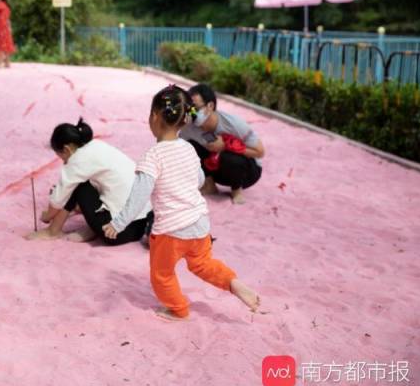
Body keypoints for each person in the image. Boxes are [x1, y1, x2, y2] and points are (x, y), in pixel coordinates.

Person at [102, 85, 260, 321]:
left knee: (162, 274)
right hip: (199, 223)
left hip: (170, 230)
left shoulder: (152, 156)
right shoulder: (187, 147)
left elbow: (139, 196)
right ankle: (233, 283)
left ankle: (178, 309)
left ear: (154, 116)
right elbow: (197, 180)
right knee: (203, 265)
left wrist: (118, 223)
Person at [26, 118, 152, 245]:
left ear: (66, 149)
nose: (64, 162)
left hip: (115, 233)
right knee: (92, 184)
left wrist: (47, 216)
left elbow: (57, 201)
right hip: (140, 226)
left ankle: (53, 231)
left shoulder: (77, 161)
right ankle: (94, 227)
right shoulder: (97, 145)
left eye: (62, 157)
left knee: (77, 185)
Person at [180, 83, 264, 204]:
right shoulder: (188, 127)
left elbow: (260, 152)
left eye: (196, 109)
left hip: (249, 171)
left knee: (229, 158)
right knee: (189, 146)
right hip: (217, 169)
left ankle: (236, 190)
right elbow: (176, 147)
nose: (191, 113)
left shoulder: (234, 124)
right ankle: (209, 185)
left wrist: (226, 147)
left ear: (210, 106)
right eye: (189, 109)